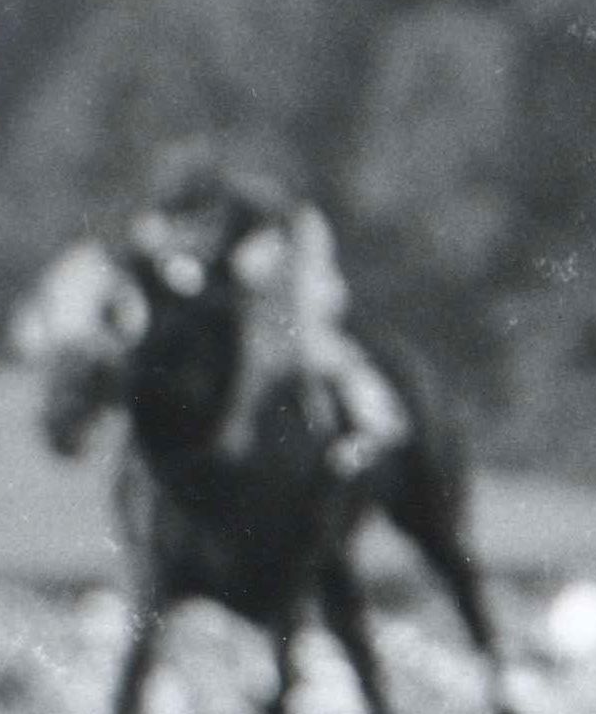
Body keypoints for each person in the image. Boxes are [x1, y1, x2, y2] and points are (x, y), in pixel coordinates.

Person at [136, 158, 414, 478]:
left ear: (214, 208)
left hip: (300, 247)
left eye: (199, 224)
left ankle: (377, 421)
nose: (192, 236)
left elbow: (247, 286)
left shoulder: (262, 227)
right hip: (253, 259)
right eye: (180, 224)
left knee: (307, 343)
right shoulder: (165, 222)